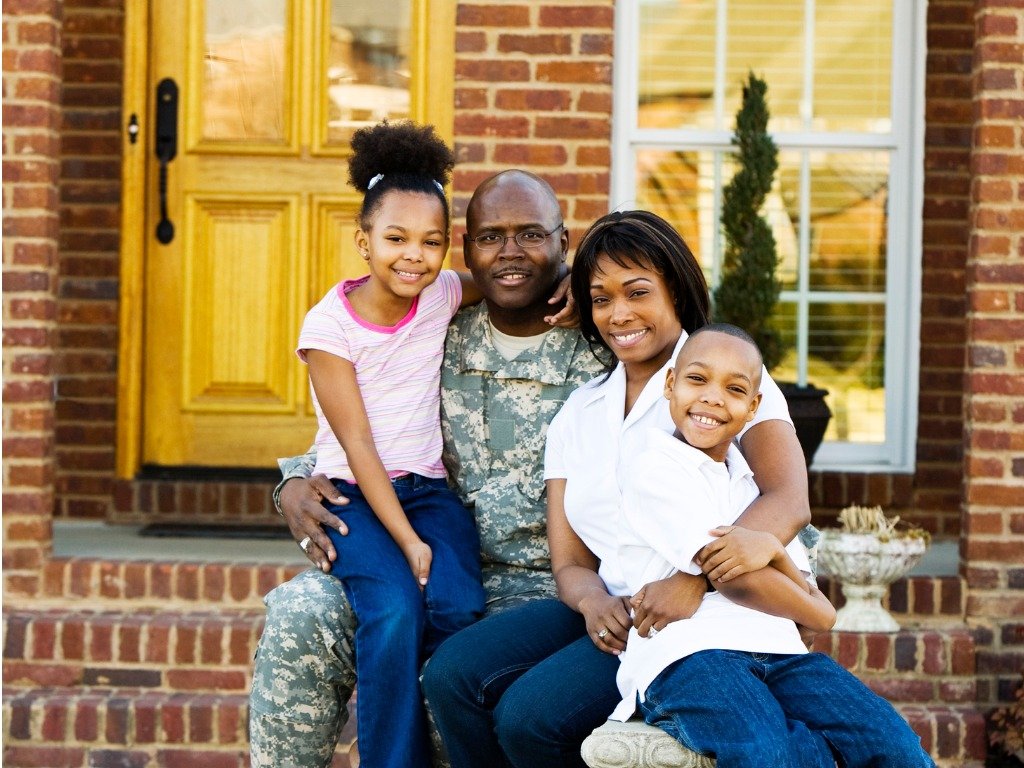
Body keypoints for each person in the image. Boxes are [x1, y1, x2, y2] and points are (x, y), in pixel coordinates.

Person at [420, 210, 818, 768]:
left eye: (637, 292)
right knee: (451, 674)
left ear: (675, 290)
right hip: (616, 601)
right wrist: (591, 602)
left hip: (698, 612)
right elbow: (571, 560)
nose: (619, 314)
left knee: (529, 718)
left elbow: (786, 499)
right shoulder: (581, 409)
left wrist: (693, 577)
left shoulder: (721, 381)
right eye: (601, 298)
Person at [249, 169, 605, 768]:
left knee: (454, 646)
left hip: (555, 580)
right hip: (420, 546)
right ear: (466, 250)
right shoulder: (436, 323)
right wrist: (290, 485)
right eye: (491, 238)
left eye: (531, 237)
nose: (510, 253)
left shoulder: (602, 344)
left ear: (563, 242)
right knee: (301, 611)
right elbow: (361, 430)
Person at [605, 323, 936, 767]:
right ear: (671, 385)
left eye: (734, 389)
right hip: (691, 656)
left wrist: (775, 553)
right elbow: (754, 586)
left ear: (753, 407)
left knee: (895, 747)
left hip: (780, 652)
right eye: (697, 379)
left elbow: (797, 590)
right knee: (766, 751)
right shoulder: (654, 467)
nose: (712, 398)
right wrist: (815, 604)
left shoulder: (750, 481)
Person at [297, 120, 488, 768]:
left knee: (459, 603)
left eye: (433, 242)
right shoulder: (328, 328)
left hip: (428, 490)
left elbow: (506, 277)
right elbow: (355, 444)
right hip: (354, 493)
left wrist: (571, 290)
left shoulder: (441, 292)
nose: (415, 255)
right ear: (364, 241)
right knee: (395, 610)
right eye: (397, 238)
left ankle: (406, 702)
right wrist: (407, 541)